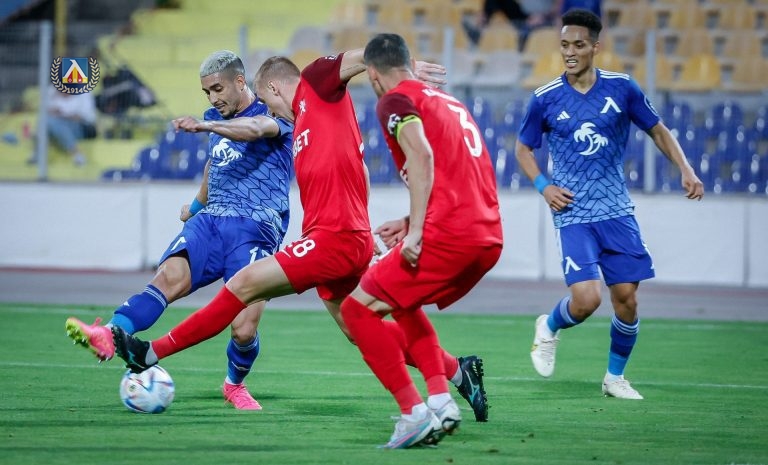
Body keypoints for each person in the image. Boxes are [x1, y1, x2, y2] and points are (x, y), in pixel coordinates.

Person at [106, 50, 492, 424]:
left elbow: (360, 56)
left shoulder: (316, 85)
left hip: (333, 239)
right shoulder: (308, 127)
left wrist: (400, 70)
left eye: (271, 105)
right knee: (359, 327)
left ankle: (150, 353)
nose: (274, 114)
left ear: (274, 88)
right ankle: (459, 372)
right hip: (343, 238)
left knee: (243, 284)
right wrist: (362, 224)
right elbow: (358, 168)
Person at [65, 50, 294, 410]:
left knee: (243, 328)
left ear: (239, 81)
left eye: (218, 89)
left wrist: (205, 126)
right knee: (167, 277)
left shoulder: (275, 112)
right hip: (211, 221)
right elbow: (215, 165)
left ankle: (234, 384)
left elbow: (252, 131)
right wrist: (196, 207)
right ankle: (108, 334)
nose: (213, 99)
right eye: (206, 92)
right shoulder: (216, 118)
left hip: (256, 227)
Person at [514, 9, 704, 400]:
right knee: (587, 299)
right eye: (564, 45)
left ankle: (614, 378)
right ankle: (549, 326)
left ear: (595, 47)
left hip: (616, 210)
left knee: (627, 300)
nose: (570, 52)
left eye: (578, 45)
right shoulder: (545, 98)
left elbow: (658, 130)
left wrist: (685, 168)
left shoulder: (622, 88)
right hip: (573, 212)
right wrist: (544, 186)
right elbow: (522, 148)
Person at [339, 33, 504, 449]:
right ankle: (441, 401)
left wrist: (416, 231)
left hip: (449, 233)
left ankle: (413, 414)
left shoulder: (394, 100)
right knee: (402, 302)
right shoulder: (448, 102)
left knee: (356, 311)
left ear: (373, 74)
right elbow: (458, 171)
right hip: (485, 234)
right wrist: (412, 219)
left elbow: (422, 155)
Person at [30, 86, 97, 166]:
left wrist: (63, 115)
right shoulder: (51, 91)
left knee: (51, 122)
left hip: (79, 127)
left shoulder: (84, 92)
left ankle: (37, 153)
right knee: (48, 121)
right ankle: (77, 154)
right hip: (55, 127)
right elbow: (45, 111)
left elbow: (87, 117)